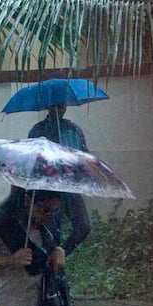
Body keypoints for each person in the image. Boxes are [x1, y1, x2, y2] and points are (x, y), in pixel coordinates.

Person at [29, 104, 92, 254]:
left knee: (83, 226)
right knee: (52, 234)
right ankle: (51, 269)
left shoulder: (73, 129)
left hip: (70, 187)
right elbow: (31, 158)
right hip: (49, 189)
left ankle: (60, 255)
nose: (59, 108)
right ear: (48, 107)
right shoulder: (38, 130)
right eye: (55, 105)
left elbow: (84, 155)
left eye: (62, 105)